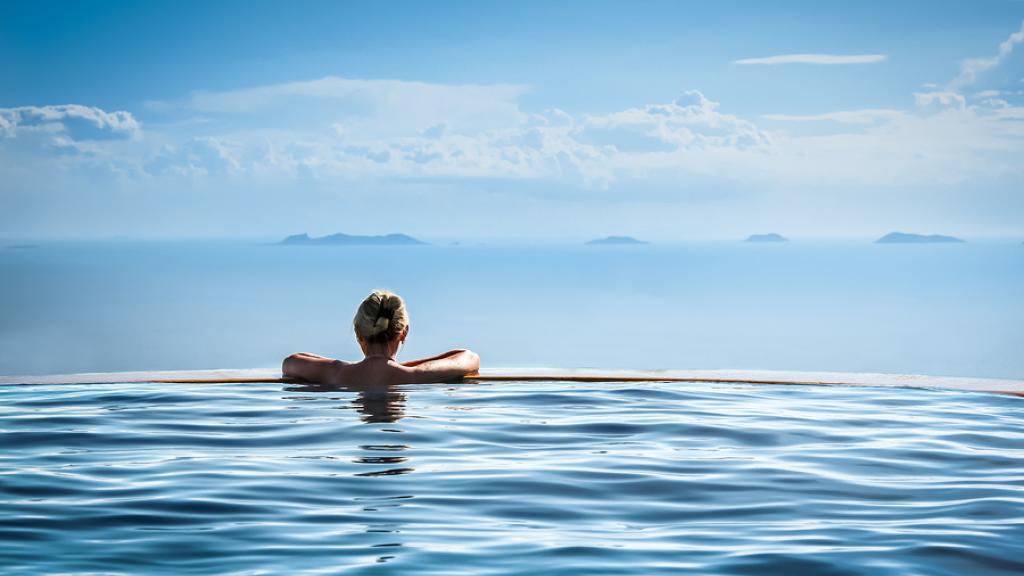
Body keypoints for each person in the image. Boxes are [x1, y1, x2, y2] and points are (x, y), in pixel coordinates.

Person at [282, 290, 480, 386]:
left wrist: (361, 366)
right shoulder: (416, 376)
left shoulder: (337, 373)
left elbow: (291, 362)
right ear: (404, 333)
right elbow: (469, 357)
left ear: (358, 334)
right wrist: (407, 367)